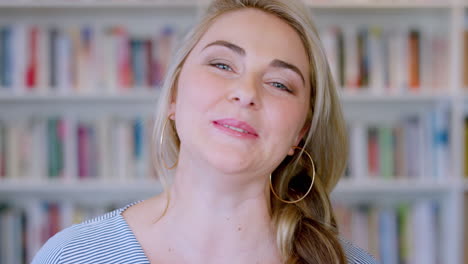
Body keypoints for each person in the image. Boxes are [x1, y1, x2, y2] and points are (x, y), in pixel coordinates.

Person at [33, 0, 379, 263]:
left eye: (279, 83)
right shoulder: (71, 255)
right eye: (222, 64)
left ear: (300, 132)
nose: (246, 93)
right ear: (173, 95)